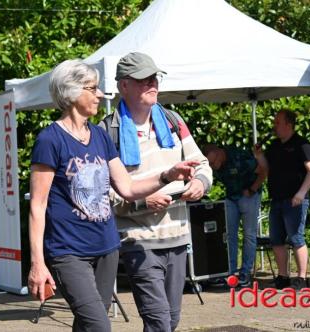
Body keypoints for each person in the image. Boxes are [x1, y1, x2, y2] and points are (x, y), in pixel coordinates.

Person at [27, 59, 199, 332]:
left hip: (107, 248)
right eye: (92, 88)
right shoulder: (50, 140)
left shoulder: (99, 136)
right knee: (99, 327)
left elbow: (127, 188)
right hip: (69, 251)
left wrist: (167, 175)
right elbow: (38, 205)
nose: (100, 95)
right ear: (71, 91)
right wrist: (38, 263)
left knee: (87, 326)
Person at [99, 52, 213, 332]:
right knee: (159, 321)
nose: (153, 84)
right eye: (143, 79)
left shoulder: (173, 120)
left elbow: (203, 164)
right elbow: (102, 193)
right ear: (124, 86)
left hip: (177, 236)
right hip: (138, 241)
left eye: (155, 78)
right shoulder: (107, 130)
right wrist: (141, 202)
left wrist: (200, 182)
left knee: (170, 321)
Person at [264, 109, 310, 290]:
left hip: (295, 200)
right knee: (276, 239)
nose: (274, 126)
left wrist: (301, 193)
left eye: (277, 122)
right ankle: (283, 277)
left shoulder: (302, 144)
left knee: (296, 238)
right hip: (277, 199)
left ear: (288, 124)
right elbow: (265, 169)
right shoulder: (273, 146)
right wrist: (258, 156)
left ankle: (301, 278)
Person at [203, 144, 268, 287]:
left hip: (249, 196)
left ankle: (245, 274)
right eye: (210, 164)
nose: (213, 167)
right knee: (230, 236)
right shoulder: (215, 164)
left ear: (219, 153)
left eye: (213, 163)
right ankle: (230, 273)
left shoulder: (240, 156)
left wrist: (252, 189)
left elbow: (263, 171)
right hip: (231, 198)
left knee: (249, 235)